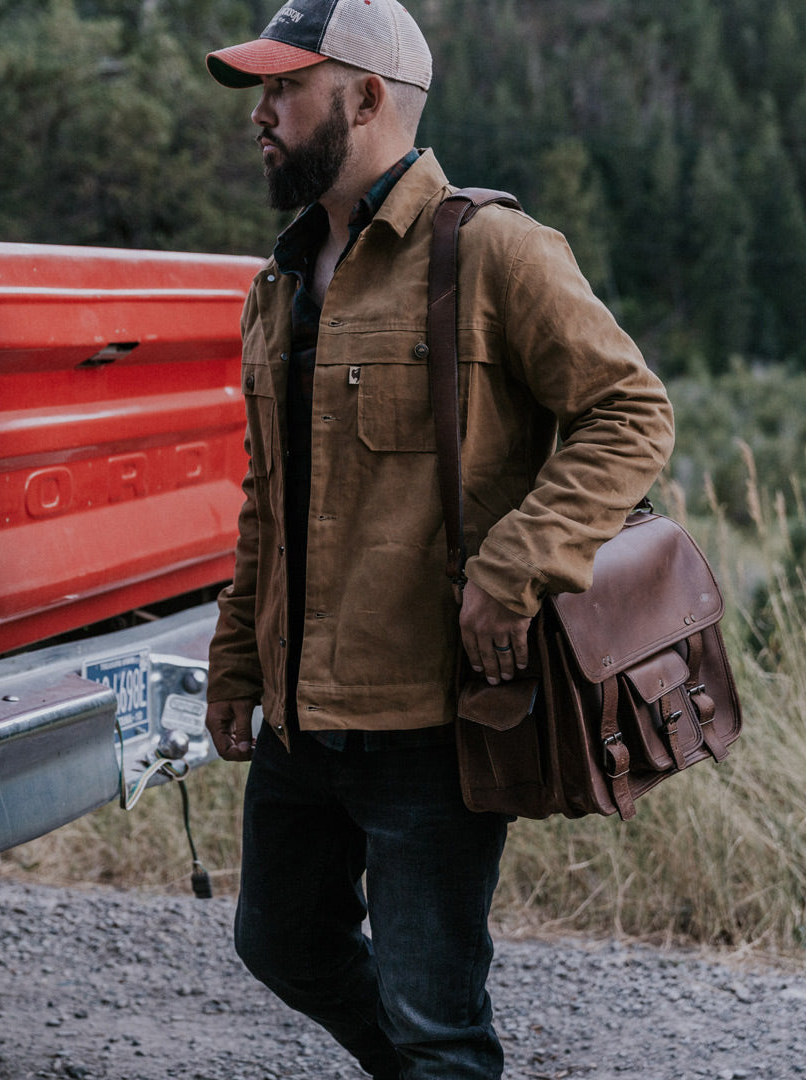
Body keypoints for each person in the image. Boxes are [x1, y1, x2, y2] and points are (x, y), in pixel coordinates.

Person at [202, 2, 675, 1077]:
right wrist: (237, 660)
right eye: (261, 93)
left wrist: (516, 569)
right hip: (297, 716)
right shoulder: (276, 285)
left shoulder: (492, 248)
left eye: (285, 89)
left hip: (430, 721)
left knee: (435, 1019)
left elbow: (630, 411)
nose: (261, 116)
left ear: (366, 99)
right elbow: (267, 498)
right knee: (276, 941)